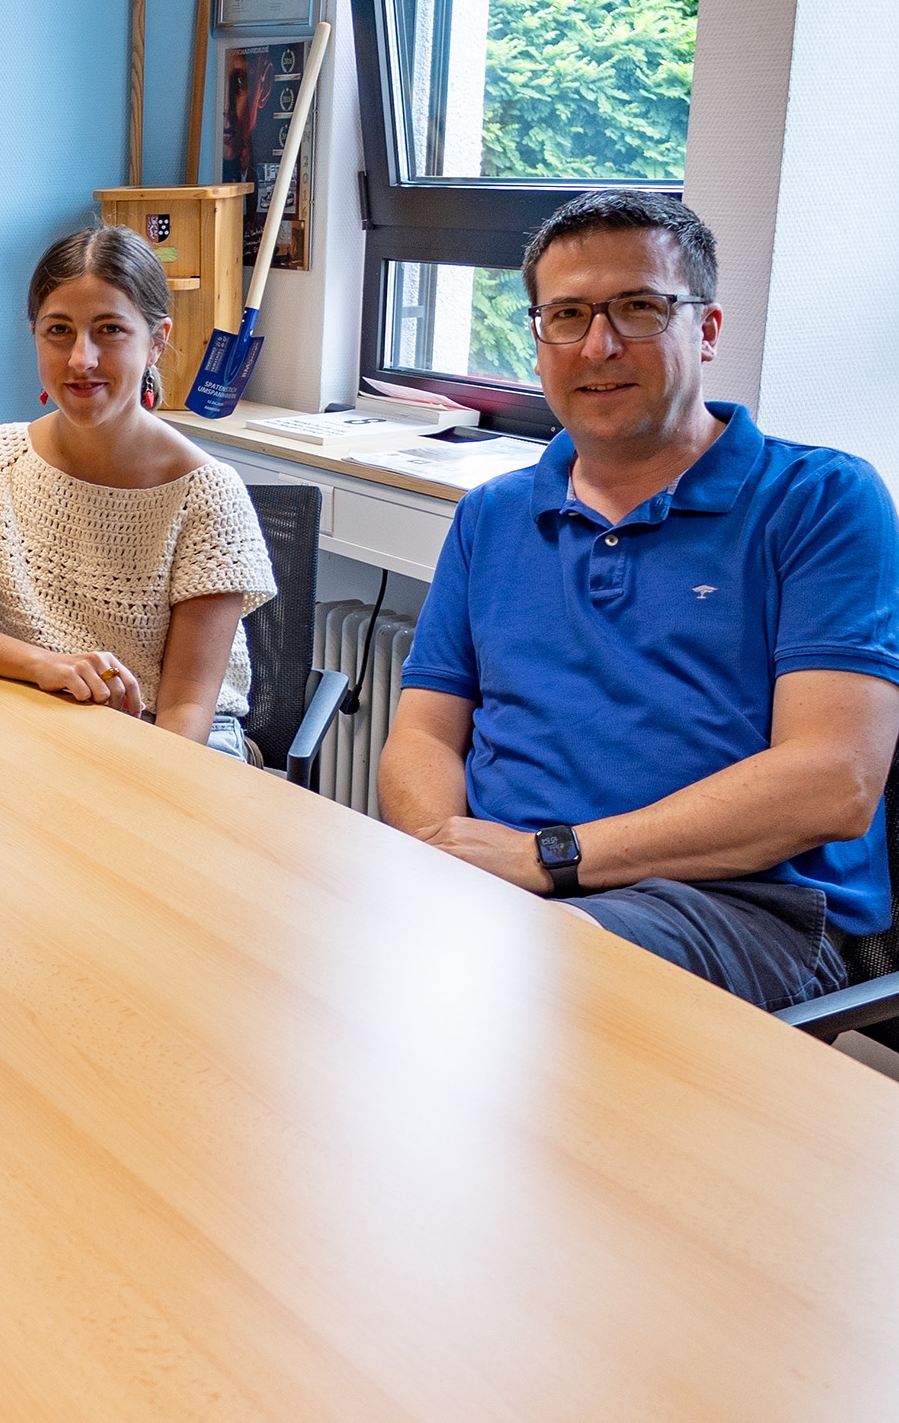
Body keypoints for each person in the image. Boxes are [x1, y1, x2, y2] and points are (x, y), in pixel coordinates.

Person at [379, 190, 899, 1009]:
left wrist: (548, 857)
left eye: (638, 308)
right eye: (568, 315)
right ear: (538, 337)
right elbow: (421, 736)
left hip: (732, 902)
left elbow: (834, 779)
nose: (599, 345)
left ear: (708, 329)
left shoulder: (821, 499)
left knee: (503, 985)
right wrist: (442, 851)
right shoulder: (494, 513)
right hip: (509, 892)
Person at [0, 224, 275, 754]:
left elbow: (187, 708)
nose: (81, 360)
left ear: (156, 341)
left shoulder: (207, 494)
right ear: (34, 335)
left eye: (110, 330)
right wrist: (45, 665)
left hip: (170, 741)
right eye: (58, 330)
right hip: (35, 710)